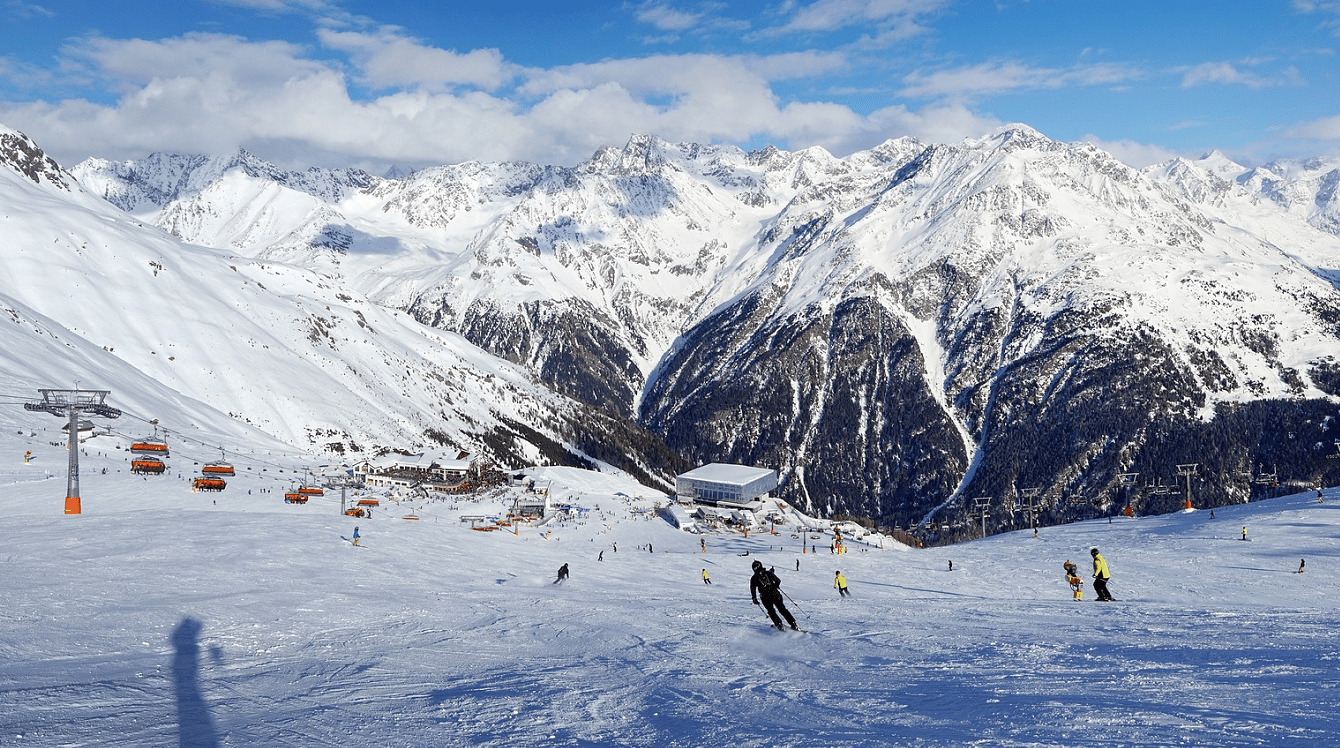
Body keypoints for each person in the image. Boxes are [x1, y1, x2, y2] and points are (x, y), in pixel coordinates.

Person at [750, 560, 798, 630]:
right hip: (774, 593)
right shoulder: (768, 573)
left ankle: (779, 624)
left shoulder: (754, 578)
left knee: (771, 611)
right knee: (782, 609)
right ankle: (793, 623)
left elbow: (752, 588)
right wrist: (775, 585)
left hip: (765, 596)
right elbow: (778, 580)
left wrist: (754, 598)